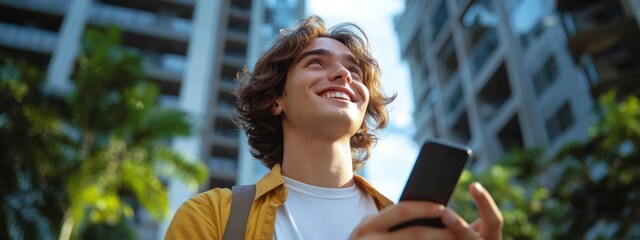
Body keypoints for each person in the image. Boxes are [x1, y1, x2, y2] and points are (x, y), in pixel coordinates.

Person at [164, 16, 503, 240]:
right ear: (275, 99)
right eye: (316, 63)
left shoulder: (415, 226)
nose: (345, 75)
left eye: (354, 70)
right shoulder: (212, 216)